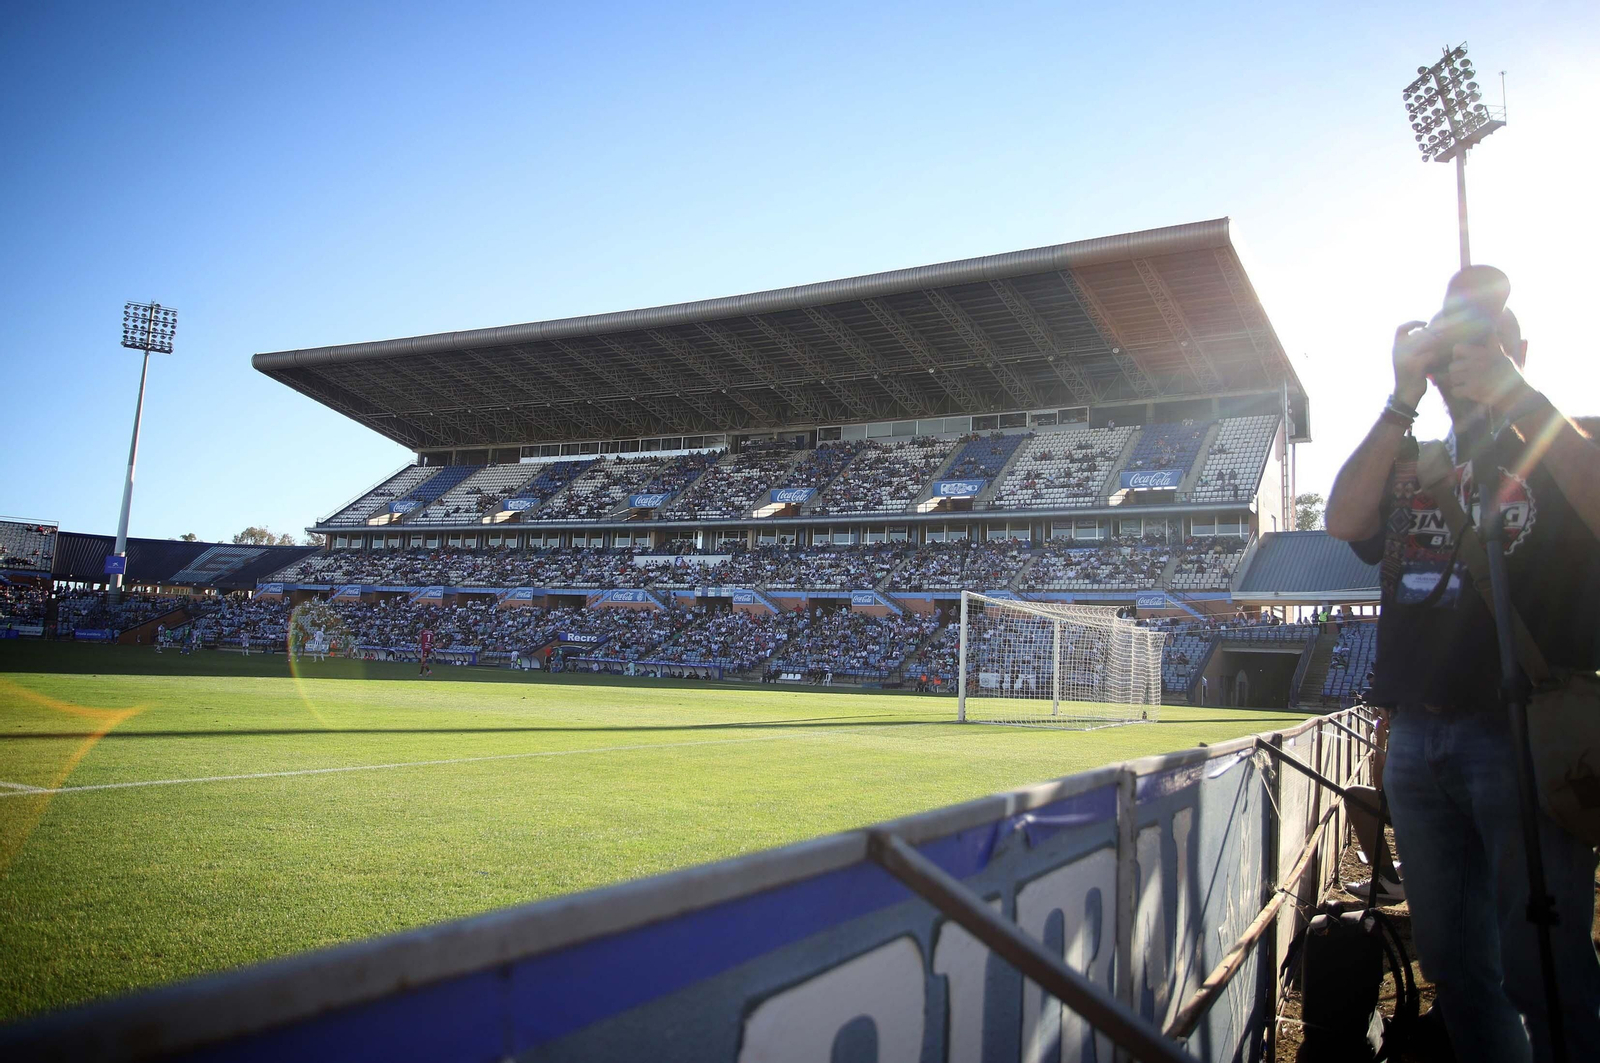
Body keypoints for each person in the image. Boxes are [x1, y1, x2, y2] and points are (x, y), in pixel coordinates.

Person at [1325, 291, 1600, 1062]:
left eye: (1490, 343)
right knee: (1455, 967)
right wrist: (1401, 397)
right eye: (1452, 350)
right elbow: (1344, 520)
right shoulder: (1416, 460)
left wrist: (1518, 397)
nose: (1467, 363)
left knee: (1547, 967)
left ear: (1520, 351)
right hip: (1418, 735)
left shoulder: (1564, 438)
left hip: (1525, 730)